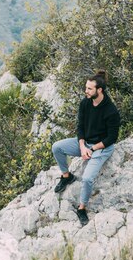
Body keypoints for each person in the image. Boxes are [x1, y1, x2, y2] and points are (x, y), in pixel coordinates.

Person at [51, 70, 121, 226]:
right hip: (85, 143)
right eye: (86, 87)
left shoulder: (111, 111)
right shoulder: (85, 103)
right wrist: (82, 146)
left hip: (102, 147)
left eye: (89, 89)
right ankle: (67, 176)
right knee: (57, 147)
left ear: (99, 90)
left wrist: (92, 149)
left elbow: (112, 138)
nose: (86, 91)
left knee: (88, 178)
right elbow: (80, 126)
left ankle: (81, 208)